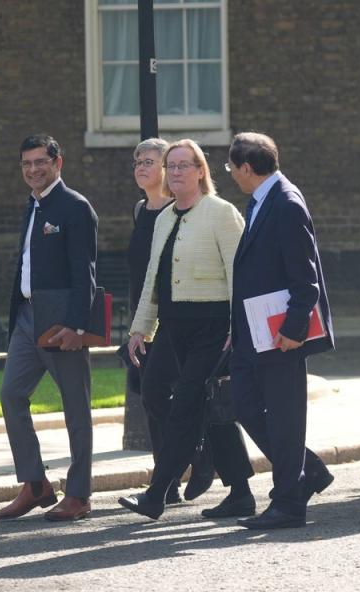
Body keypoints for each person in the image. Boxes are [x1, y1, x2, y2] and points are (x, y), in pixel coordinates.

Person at [118, 139, 255, 521]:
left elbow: (239, 275)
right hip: (173, 327)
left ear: (200, 171)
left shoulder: (221, 213)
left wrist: (236, 326)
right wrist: (139, 328)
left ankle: (157, 493)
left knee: (187, 407)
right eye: (171, 166)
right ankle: (235, 487)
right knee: (154, 393)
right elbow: (152, 279)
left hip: (213, 327)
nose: (176, 172)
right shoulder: (164, 218)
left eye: (184, 165)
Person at [225, 132, 335, 530]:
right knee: (244, 404)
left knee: (286, 419)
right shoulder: (261, 201)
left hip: (280, 334)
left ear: (247, 168)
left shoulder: (286, 203)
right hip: (252, 331)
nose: (232, 175)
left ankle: (289, 503)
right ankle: (308, 471)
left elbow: (305, 277)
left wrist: (294, 329)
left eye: (232, 167)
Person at [0, 134, 98, 522]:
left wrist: (76, 325)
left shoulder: (74, 206)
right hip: (26, 318)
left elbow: (83, 272)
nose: (33, 170)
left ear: (59, 162)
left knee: (76, 408)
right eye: (26, 164)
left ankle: (79, 494)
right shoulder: (32, 205)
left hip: (61, 322)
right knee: (10, 394)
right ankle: (35, 483)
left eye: (41, 162)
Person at [126, 138, 215, 505]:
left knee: (189, 399)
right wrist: (139, 324)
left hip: (186, 322)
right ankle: (177, 472)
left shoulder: (187, 211)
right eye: (137, 161)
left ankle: (196, 461)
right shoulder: (142, 210)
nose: (142, 167)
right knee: (153, 398)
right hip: (149, 318)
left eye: (150, 161)